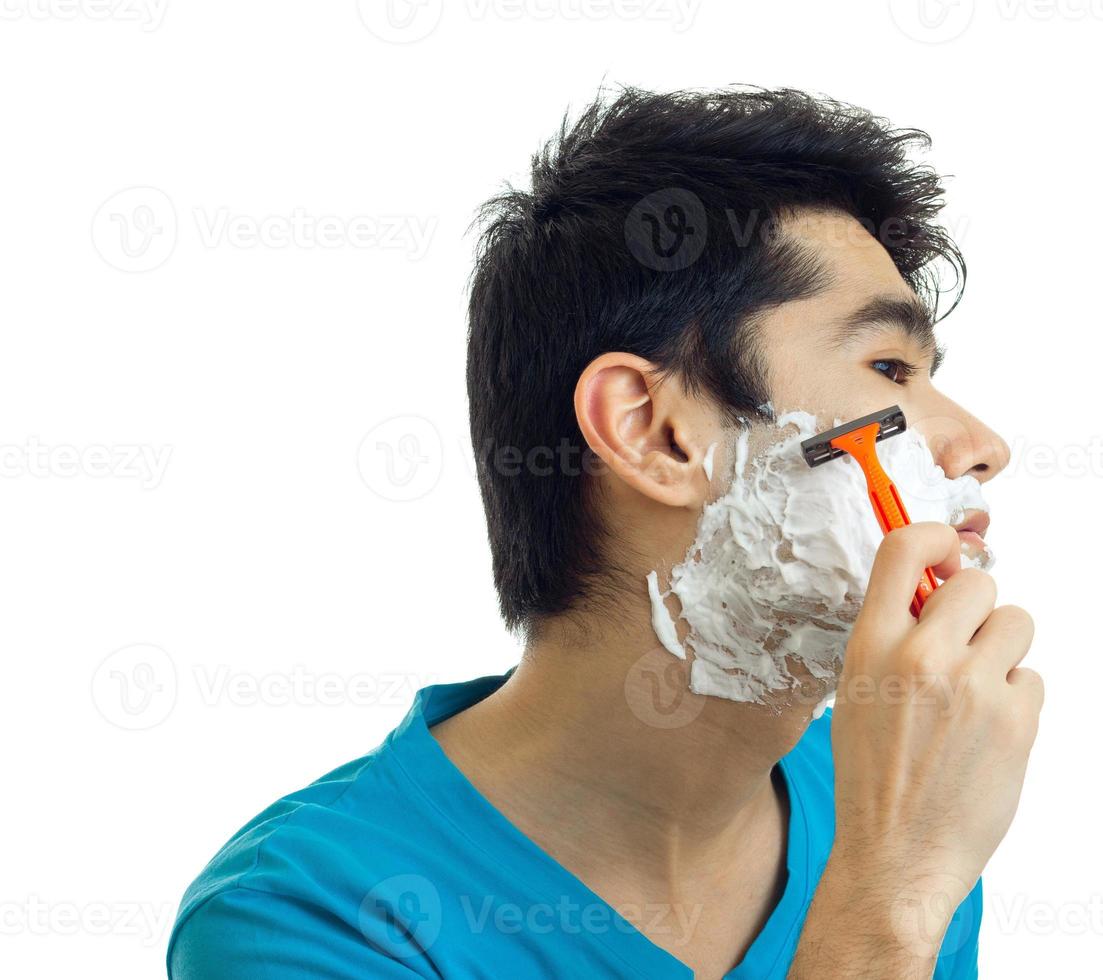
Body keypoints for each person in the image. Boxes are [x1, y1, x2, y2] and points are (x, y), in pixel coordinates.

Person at [167, 86, 1042, 979]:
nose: (983, 447)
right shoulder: (308, 920)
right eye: (890, 367)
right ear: (654, 432)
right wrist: (887, 901)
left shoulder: (898, 787)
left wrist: (904, 869)